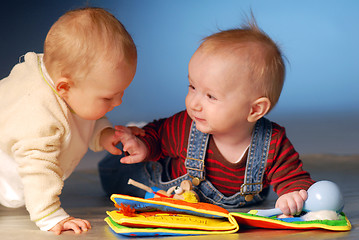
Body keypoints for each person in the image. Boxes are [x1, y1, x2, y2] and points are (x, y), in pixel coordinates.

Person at [98, 19, 315, 217]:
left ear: (255, 110)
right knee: (115, 171)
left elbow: (294, 177)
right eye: (192, 87)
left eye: (210, 96)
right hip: (155, 181)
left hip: (213, 208)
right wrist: (144, 145)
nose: (194, 103)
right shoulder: (187, 125)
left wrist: (293, 194)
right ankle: (135, 132)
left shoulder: (272, 143)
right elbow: (159, 133)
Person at [0, 7, 137, 234]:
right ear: (64, 87)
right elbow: (38, 169)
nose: (119, 102)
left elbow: (85, 115)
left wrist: (103, 134)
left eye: (121, 92)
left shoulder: (70, 83)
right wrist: (50, 215)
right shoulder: (38, 116)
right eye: (108, 97)